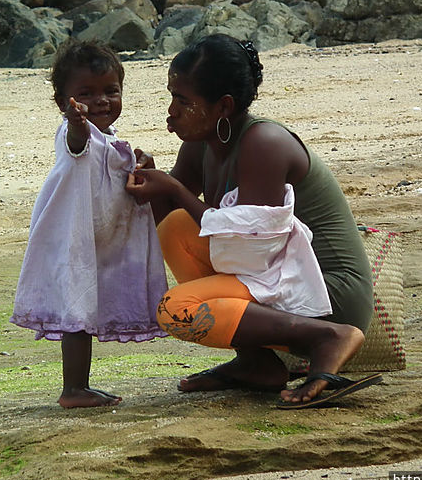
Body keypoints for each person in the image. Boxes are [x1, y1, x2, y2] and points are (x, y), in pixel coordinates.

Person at [125, 34, 379, 409]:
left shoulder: (264, 143)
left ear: (223, 106)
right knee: (178, 228)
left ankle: (328, 337)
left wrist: (176, 191)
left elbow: (249, 249)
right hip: (272, 271)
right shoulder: (201, 143)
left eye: (183, 101)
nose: (171, 112)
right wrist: (154, 186)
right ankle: (255, 362)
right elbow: (171, 220)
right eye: (172, 97)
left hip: (326, 291)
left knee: (174, 311)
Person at [10, 39, 168, 408]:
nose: (101, 101)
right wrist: (76, 122)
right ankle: (73, 389)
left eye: (111, 91)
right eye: (86, 93)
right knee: (76, 313)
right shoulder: (73, 134)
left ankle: (79, 387)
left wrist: (141, 162)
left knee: (86, 308)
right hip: (74, 239)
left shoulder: (110, 138)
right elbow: (78, 144)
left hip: (101, 241)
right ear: (63, 102)